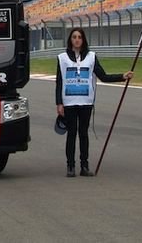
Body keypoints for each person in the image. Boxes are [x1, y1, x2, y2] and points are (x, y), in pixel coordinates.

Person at [56, 28, 133, 177]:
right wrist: (59, 103)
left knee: (83, 133)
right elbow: (59, 82)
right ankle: (70, 166)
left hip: (86, 101)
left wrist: (122, 77)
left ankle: (84, 166)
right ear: (70, 40)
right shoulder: (62, 58)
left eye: (79, 37)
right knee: (71, 134)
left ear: (83, 40)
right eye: (74, 37)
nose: (77, 39)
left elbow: (103, 76)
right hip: (69, 102)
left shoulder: (91, 57)